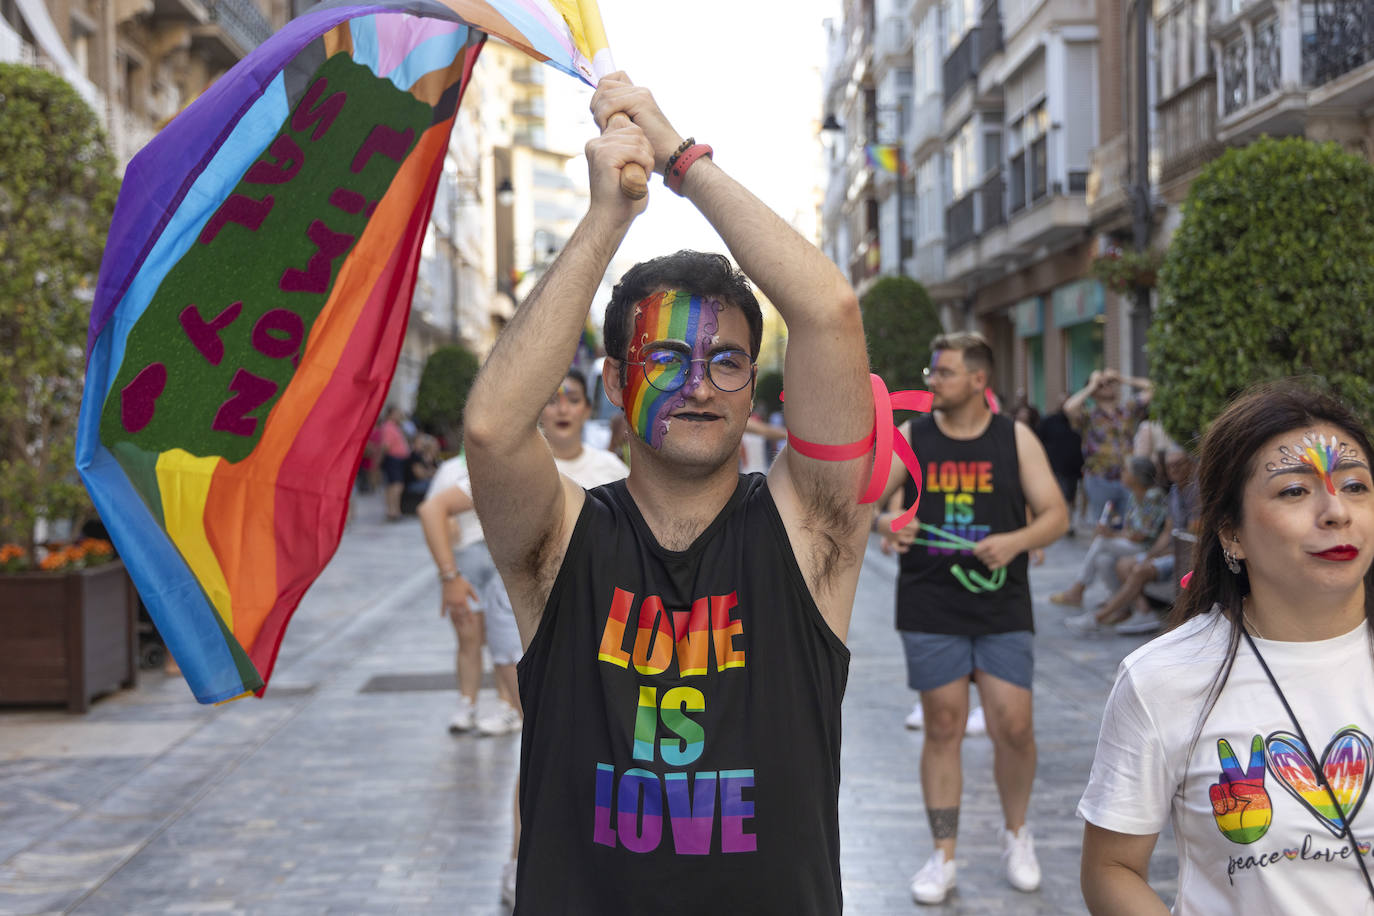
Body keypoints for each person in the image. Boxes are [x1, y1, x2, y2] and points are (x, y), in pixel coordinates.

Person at [462, 74, 874, 914]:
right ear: (615, 380)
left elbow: (829, 310)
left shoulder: (809, 533)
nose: (699, 384)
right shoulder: (562, 542)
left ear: (752, 388)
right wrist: (607, 216)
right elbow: (493, 430)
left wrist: (682, 159)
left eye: (726, 360)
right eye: (664, 361)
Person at [1078, 380, 1374, 912]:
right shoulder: (1164, 678)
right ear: (1230, 533)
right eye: (1295, 491)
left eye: (1355, 486)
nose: (1336, 511)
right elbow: (1110, 868)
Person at [418, 368, 627, 906]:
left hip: (599, 626)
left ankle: (587, 858)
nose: (561, 409)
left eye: (572, 399)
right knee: (545, 740)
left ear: (588, 408)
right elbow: (434, 507)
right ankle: (521, 862)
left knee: (592, 746)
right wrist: (450, 576)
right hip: (525, 624)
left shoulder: (609, 469)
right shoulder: (516, 468)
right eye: (552, 399)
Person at [878, 331, 1069, 905]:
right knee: (942, 727)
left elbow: (1056, 516)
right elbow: (867, 504)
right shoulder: (913, 435)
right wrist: (891, 521)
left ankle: (1017, 835)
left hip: (1002, 604)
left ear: (978, 380)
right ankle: (943, 857)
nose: (932, 381)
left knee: (1014, 726)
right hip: (930, 602)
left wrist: (1015, 542)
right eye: (932, 370)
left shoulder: (1016, 439)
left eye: (944, 372)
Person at [1087, 447, 1199, 636]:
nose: (1174, 470)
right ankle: (1140, 611)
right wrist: (1151, 555)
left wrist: (1152, 553)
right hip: (1166, 549)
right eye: (1170, 466)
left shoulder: (1193, 491)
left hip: (1186, 553)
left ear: (1191, 464)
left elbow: (1190, 534)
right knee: (1115, 562)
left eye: (1179, 464)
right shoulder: (1172, 491)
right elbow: (1167, 531)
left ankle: (1097, 614)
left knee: (1107, 548)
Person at [1056, 456, 1169, 632]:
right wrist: (1112, 530)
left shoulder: (1153, 496)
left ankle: (1079, 588)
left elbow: (1143, 534)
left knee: (1102, 542)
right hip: (1133, 545)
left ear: (1137, 476)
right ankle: (1123, 607)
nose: (1122, 474)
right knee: (1103, 560)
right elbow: (1129, 529)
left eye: (1126, 470)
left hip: (1147, 548)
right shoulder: (1133, 496)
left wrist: (1112, 534)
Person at [1065, 369, 1153, 527]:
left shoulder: (1127, 409)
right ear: (1094, 392)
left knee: (1129, 527)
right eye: (1102, 385)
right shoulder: (1088, 415)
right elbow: (1069, 407)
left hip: (1127, 479)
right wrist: (1092, 385)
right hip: (1099, 479)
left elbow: (1153, 389)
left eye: (1109, 383)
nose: (1107, 386)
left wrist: (1123, 378)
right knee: (1103, 528)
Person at [1036, 396, 1086, 535]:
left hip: (1074, 467)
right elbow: (1039, 440)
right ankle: (1061, 523)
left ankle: (1068, 522)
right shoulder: (1049, 422)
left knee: (1071, 495)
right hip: (1056, 465)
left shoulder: (1079, 422)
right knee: (1061, 495)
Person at [378, 405, 411, 521]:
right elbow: (386, 446)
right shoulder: (388, 427)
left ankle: (394, 511)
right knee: (396, 485)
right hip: (393, 459)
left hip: (397, 460)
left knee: (395, 486)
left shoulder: (394, 426)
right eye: (397, 413)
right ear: (391, 414)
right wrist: (380, 459)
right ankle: (393, 511)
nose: (399, 415)